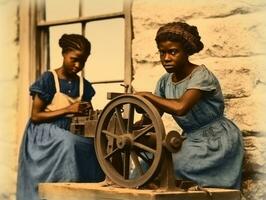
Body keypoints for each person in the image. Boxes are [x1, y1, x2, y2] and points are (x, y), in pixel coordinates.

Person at [135, 22, 244, 189]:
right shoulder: (165, 81)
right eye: (162, 52)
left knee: (170, 166)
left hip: (215, 140)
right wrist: (136, 128)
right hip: (189, 139)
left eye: (173, 52)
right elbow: (151, 119)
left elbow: (181, 107)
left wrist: (149, 96)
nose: (166, 58)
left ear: (186, 52)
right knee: (142, 169)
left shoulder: (201, 76)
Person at [16, 34, 105, 200]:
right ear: (64, 54)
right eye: (74, 59)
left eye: (83, 61)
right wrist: (68, 109)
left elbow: (87, 113)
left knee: (95, 146)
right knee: (69, 143)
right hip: (45, 132)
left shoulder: (84, 85)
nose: (78, 65)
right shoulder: (49, 79)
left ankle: (88, 193)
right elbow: (35, 116)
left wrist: (88, 112)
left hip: (72, 129)